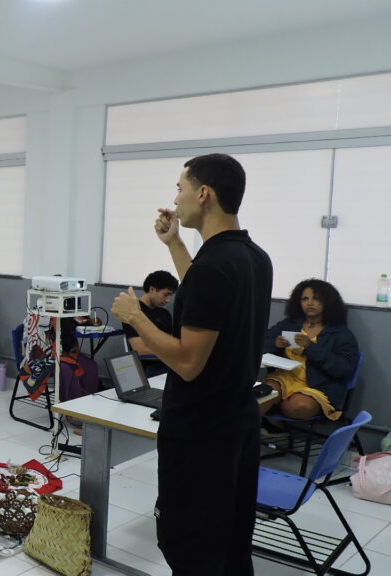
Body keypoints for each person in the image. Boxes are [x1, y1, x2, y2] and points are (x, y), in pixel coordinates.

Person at [111, 153, 272, 575]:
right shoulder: (253, 257)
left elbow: (187, 363)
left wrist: (135, 316)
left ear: (204, 194)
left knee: (192, 547)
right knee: (230, 543)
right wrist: (175, 244)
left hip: (201, 433)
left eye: (180, 188)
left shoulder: (214, 266)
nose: (175, 199)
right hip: (238, 421)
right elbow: (206, 293)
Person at [261, 279, 359, 421]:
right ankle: (249, 431)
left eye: (316, 299)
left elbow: (343, 368)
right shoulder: (289, 324)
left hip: (319, 385)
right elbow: (261, 346)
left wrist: (310, 347)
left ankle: (273, 412)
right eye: (305, 299)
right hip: (284, 378)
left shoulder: (340, 333)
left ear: (327, 302)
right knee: (263, 394)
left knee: (299, 406)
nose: (310, 303)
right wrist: (275, 344)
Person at [120, 270, 178, 377]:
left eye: (170, 295)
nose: (168, 300)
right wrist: (175, 352)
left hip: (167, 363)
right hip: (149, 367)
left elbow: (170, 343)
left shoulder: (165, 314)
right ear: (152, 289)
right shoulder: (133, 312)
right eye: (166, 295)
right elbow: (141, 350)